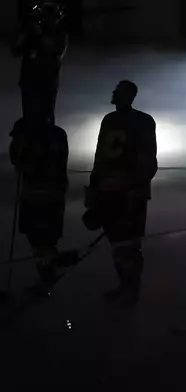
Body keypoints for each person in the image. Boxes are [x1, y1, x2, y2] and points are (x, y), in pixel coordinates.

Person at [84, 80, 157, 308]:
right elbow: (101, 157)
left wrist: (134, 187)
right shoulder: (117, 120)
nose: (114, 95)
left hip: (125, 193)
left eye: (118, 92)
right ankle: (126, 287)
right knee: (120, 243)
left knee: (127, 244)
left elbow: (146, 159)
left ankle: (130, 289)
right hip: (114, 191)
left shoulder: (128, 121)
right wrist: (95, 187)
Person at [9, 116, 69, 291]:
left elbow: (20, 161)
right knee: (42, 240)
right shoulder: (58, 134)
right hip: (48, 194)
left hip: (39, 195)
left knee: (40, 240)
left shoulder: (41, 136)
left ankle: (49, 276)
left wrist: (21, 151)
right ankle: (49, 274)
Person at [12, 2, 68, 123]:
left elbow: (55, 50)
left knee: (46, 117)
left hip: (47, 81)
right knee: (28, 118)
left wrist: (39, 34)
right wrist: (24, 32)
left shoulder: (60, 34)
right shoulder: (31, 33)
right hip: (29, 80)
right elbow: (16, 51)